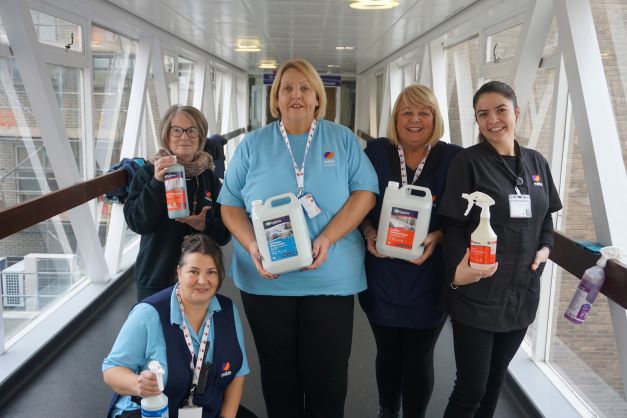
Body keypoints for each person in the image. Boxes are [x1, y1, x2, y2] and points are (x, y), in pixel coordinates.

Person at [217, 58, 378, 418]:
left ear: (318, 98)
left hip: (330, 278)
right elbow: (229, 205)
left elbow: (365, 192)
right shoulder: (252, 145)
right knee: (279, 375)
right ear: (275, 99)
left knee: (329, 375)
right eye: (287, 88)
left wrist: (330, 238)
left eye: (305, 88)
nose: (296, 95)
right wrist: (252, 245)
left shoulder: (341, 139)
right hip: (267, 281)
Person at [438, 80, 562, 418]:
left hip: (521, 294)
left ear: (516, 112)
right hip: (478, 293)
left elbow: (545, 219)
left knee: (494, 383)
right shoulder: (469, 162)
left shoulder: (537, 164)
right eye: (483, 114)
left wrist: (546, 248)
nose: (493, 119)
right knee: (471, 387)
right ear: (477, 121)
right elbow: (451, 225)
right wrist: (457, 273)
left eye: (501, 110)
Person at [358, 85, 461, 418]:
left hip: (428, 275)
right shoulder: (374, 153)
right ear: (395, 118)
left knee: (419, 355)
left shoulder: (454, 159)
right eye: (407, 112)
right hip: (382, 271)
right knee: (387, 352)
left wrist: (439, 236)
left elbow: (463, 217)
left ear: (435, 118)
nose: (415, 120)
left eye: (424, 112)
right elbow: (354, 203)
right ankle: (387, 410)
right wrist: (369, 231)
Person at [103, 234, 249, 418]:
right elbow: (111, 370)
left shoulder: (227, 309)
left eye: (211, 272)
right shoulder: (149, 313)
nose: (203, 281)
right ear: (179, 272)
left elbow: (238, 374)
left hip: (205, 408)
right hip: (150, 411)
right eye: (194, 271)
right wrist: (137, 384)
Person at [124, 105, 230, 300]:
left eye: (192, 130)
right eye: (177, 130)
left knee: (198, 330)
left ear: (201, 136)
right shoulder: (148, 173)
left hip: (200, 280)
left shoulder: (208, 177)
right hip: (157, 277)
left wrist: (205, 225)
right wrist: (157, 183)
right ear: (166, 135)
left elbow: (224, 235)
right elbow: (137, 222)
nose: (184, 136)